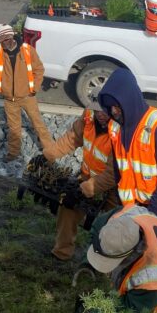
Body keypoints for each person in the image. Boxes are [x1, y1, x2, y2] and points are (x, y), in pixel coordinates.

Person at [98, 68, 157, 238]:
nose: (113, 112)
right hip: (133, 206)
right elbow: (119, 170)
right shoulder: (115, 127)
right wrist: (127, 208)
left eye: (117, 107)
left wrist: (150, 214)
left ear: (129, 100)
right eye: (110, 107)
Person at [42, 105, 118, 261]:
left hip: (115, 188)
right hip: (87, 177)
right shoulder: (88, 118)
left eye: (105, 111)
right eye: (98, 110)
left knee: (114, 224)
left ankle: (105, 263)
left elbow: (113, 173)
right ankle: (61, 253)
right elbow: (71, 139)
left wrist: (85, 189)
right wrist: (47, 156)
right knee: (68, 208)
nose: (101, 114)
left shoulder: (119, 131)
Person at [0, 24, 53, 162]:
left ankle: (50, 151)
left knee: (38, 124)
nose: (5, 42)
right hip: (9, 99)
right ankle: (13, 153)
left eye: (7, 38)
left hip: (27, 96)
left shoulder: (27, 50)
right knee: (14, 129)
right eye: (2, 40)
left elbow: (39, 69)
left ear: (12, 36)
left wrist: (34, 89)